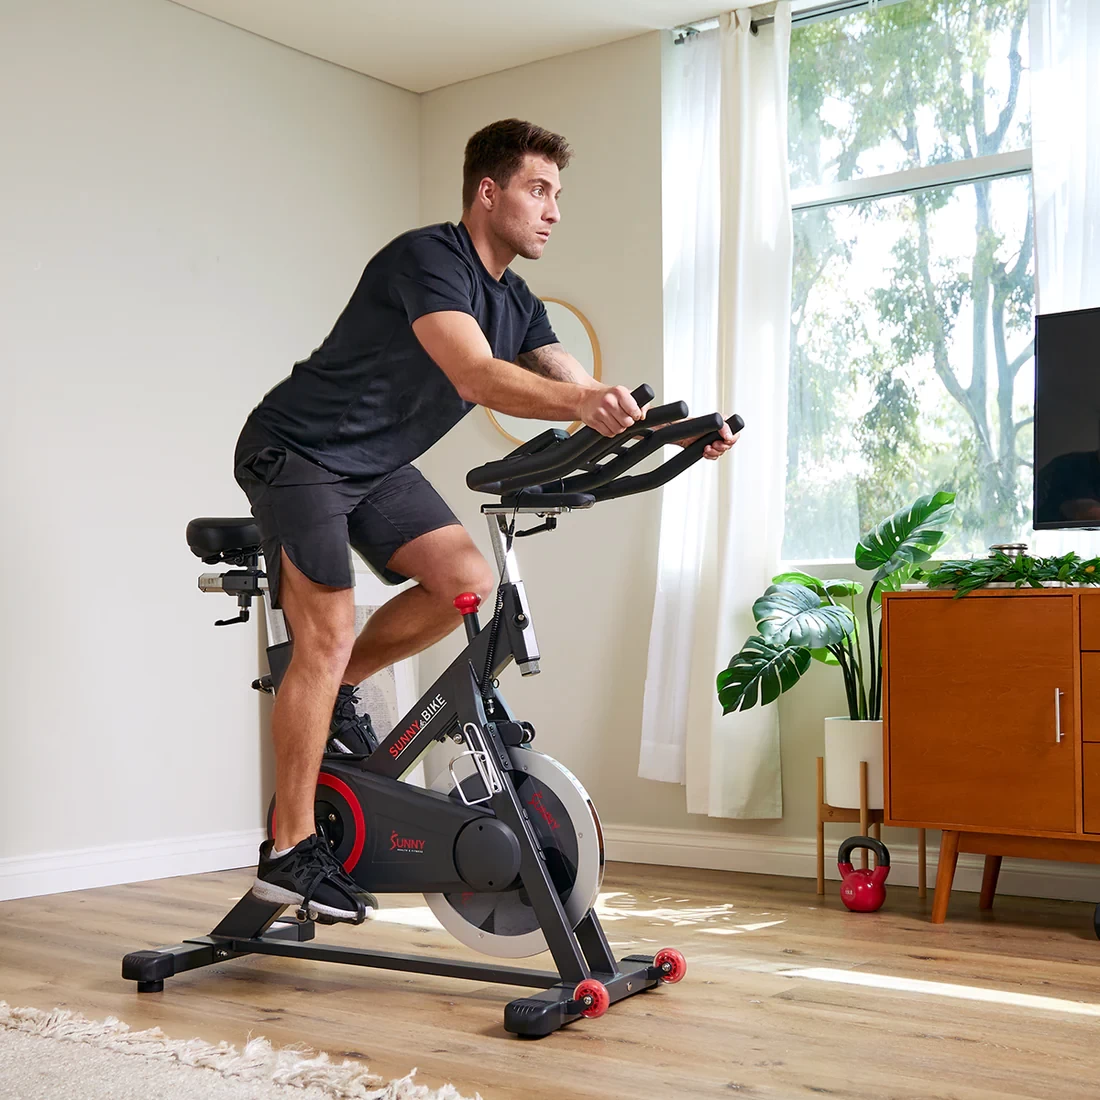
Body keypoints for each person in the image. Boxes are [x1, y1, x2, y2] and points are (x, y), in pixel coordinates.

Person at [233, 118, 739, 922]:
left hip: (375, 466)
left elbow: (579, 385)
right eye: (539, 190)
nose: (554, 210)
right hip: (298, 451)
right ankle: (288, 852)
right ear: (488, 192)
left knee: (465, 582)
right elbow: (474, 374)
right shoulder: (428, 259)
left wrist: (666, 432)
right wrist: (586, 402)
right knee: (324, 634)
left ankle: (336, 692)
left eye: (558, 195)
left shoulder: (517, 302)